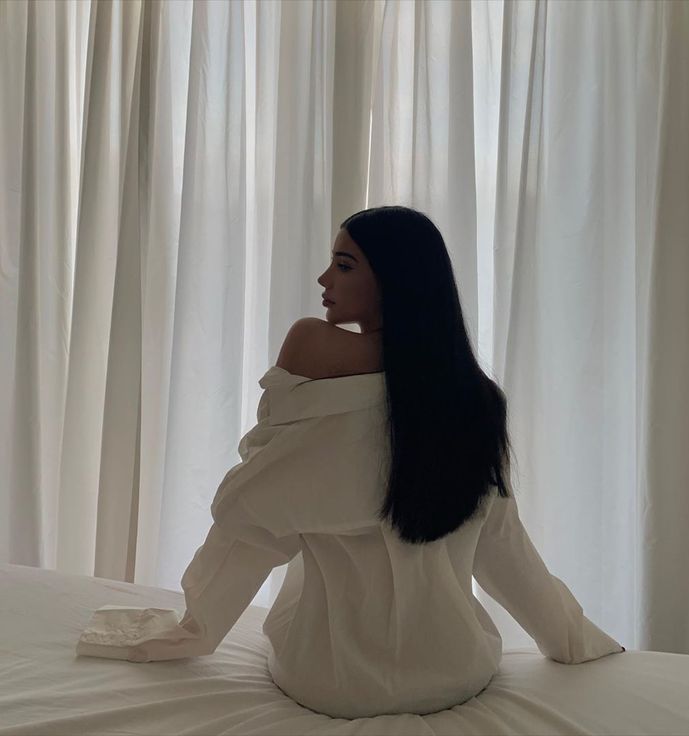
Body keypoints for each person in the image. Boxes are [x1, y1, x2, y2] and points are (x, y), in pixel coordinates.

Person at [76, 206, 625, 719]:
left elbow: (249, 533)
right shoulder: (471, 403)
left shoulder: (317, 383)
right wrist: (569, 640)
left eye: (343, 265)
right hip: (455, 670)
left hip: (330, 678)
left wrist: (195, 630)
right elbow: (505, 547)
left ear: (394, 281)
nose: (324, 280)